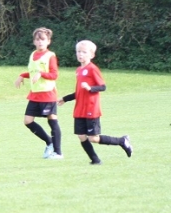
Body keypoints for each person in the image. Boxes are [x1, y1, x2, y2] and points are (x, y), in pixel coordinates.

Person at [57, 40, 133, 164]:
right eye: (78, 51)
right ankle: (95, 160)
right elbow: (79, 92)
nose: (80, 54)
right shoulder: (78, 70)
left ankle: (121, 141)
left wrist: (91, 88)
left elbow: (103, 87)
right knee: (81, 136)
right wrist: (65, 99)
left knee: (93, 138)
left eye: (84, 52)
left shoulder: (93, 69)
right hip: (79, 109)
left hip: (91, 109)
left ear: (92, 55)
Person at [14, 27, 63, 159]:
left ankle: (58, 152)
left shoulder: (50, 56)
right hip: (35, 95)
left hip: (48, 94)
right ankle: (49, 142)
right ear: (34, 41)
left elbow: (54, 75)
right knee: (28, 121)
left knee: (52, 121)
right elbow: (33, 73)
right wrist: (22, 75)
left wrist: (41, 74)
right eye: (37, 39)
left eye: (43, 39)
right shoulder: (33, 55)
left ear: (48, 41)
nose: (40, 42)